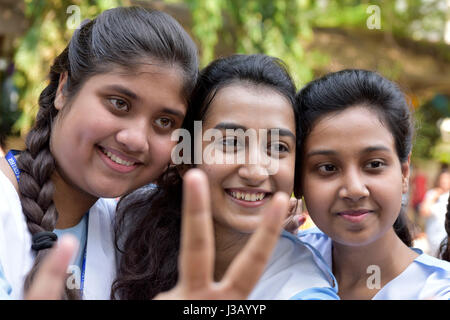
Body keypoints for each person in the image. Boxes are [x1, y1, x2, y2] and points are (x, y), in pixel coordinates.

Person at [0, 6, 198, 299]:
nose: (135, 140)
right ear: (64, 90)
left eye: (164, 122)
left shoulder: (131, 235)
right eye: (119, 103)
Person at [111, 54, 338, 300]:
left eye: (278, 147)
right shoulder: (129, 221)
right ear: (185, 158)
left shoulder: (301, 289)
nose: (255, 171)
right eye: (230, 142)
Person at [296, 69, 450, 299]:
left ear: (404, 173)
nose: (355, 189)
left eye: (374, 164)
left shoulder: (438, 291)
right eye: (328, 167)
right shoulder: (284, 260)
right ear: (298, 182)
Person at [420, 169, 450, 257]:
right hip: (432, 238)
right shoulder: (431, 193)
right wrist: (433, 197)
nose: (444, 181)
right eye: (442, 179)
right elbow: (424, 211)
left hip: (445, 237)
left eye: (447, 179)